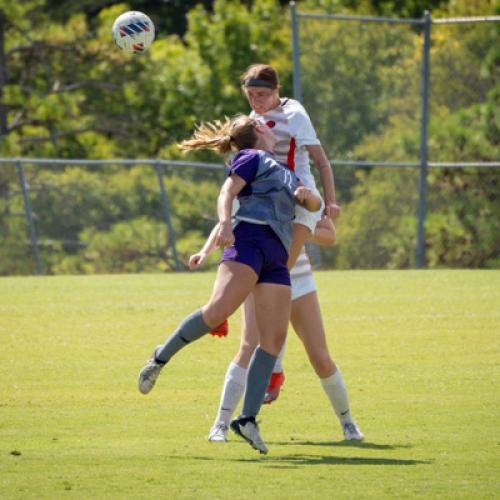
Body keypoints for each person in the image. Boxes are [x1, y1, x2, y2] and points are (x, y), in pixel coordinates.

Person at [137, 114, 322, 455]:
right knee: (218, 312)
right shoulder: (252, 156)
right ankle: (160, 357)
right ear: (259, 132)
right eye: (265, 124)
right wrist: (224, 224)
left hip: (276, 255)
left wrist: (307, 196)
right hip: (249, 239)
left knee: (273, 340)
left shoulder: (285, 170)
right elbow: (228, 191)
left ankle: (247, 419)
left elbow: (315, 205)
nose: (270, 125)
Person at [200, 64, 364, 443]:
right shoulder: (252, 139)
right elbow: (229, 212)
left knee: (319, 355)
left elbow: (321, 167)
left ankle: (347, 422)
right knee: (248, 345)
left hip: (296, 220)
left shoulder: (294, 115)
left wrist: (329, 203)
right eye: (250, 98)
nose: (256, 105)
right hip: (269, 250)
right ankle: (220, 424)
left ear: (277, 91)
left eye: (262, 96)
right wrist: (209, 249)